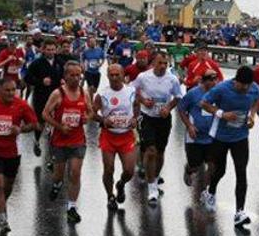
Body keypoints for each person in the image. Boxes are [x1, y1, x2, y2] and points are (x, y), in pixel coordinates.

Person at [200, 65, 259, 228]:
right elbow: (204, 103)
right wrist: (222, 114)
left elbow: (257, 100)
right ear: (236, 81)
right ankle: (210, 191)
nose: (246, 89)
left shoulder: (253, 88)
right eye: (243, 86)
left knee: (241, 171)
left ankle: (239, 212)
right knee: (220, 170)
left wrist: (252, 116)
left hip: (240, 137)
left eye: (248, 86)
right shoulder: (222, 89)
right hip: (220, 136)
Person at [0, 77, 38, 235]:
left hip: (12, 153)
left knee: (7, 187)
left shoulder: (22, 105)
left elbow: (34, 124)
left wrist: (21, 129)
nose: (12, 93)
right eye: (8, 90)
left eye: (14, 90)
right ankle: (2, 219)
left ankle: (2, 204)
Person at [41, 61, 92, 223]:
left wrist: (86, 118)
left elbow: (90, 112)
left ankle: (72, 207)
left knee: (75, 173)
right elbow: (45, 114)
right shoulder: (58, 94)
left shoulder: (84, 93)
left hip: (77, 140)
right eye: (72, 75)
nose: (76, 78)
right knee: (59, 175)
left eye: (78, 75)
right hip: (59, 141)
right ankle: (56, 185)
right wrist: (59, 126)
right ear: (65, 76)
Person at [133, 52, 183, 206]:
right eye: (160, 63)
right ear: (153, 63)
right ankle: (152, 188)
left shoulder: (172, 79)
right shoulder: (143, 77)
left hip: (163, 119)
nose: (163, 66)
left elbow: (178, 96)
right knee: (151, 151)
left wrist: (168, 107)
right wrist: (143, 100)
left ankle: (154, 178)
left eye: (165, 64)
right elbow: (133, 91)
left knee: (160, 153)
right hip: (147, 117)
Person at [93, 64, 140, 210]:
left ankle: (120, 184)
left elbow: (137, 106)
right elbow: (92, 113)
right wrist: (103, 120)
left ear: (122, 75)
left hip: (126, 136)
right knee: (109, 169)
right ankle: (110, 197)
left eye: (117, 75)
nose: (114, 78)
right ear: (107, 76)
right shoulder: (102, 94)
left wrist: (135, 119)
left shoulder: (131, 91)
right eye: (111, 75)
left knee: (129, 170)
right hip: (109, 136)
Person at [178, 69, 219, 187]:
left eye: (215, 79)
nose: (214, 82)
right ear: (203, 81)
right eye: (211, 80)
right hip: (194, 137)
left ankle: (205, 191)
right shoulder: (193, 93)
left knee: (212, 165)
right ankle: (189, 169)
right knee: (195, 165)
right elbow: (181, 109)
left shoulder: (218, 93)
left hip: (212, 136)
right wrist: (189, 126)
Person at [24, 38, 63, 158]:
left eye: (52, 49)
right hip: (41, 96)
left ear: (56, 50)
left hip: (56, 97)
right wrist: (41, 81)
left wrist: (63, 81)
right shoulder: (37, 63)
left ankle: (52, 154)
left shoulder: (60, 62)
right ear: (43, 50)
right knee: (40, 122)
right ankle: (36, 141)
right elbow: (27, 78)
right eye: (48, 50)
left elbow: (66, 75)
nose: (50, 52)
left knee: (54, 122)